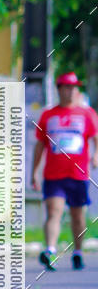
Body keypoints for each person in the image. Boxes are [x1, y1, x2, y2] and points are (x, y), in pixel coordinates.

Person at [32, 71, 98, 271]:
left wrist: (96, 156)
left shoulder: (86, 114)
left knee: (78, 216)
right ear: (59, 89)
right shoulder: (48, 116)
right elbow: (40, 145)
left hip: (78, 174)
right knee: (54, 212)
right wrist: (34, 172)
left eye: (74, 87)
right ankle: (50, 250)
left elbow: (95, 137)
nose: (71, 91)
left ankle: (77, 252)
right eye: (67, 87)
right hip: (54, 175)